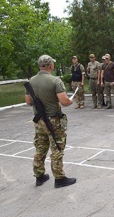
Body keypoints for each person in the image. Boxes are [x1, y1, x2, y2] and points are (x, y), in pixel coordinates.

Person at [25, 55, 76, 188]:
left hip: (39, 120)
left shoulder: (31, 81)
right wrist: (70, 101)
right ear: (51, 66)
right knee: (57, 149)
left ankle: (39, 176)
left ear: (39, 66)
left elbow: (28, 101)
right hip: (53, 121)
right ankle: (59, 178)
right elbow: (64, 102)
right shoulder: (55, 81)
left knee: (40, 148)